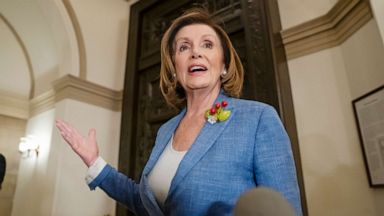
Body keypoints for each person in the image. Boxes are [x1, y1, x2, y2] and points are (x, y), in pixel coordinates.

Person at [56, 8, 302, 216]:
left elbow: (283, 208)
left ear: (224, 65)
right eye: (184, 47)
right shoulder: (166, 131)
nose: (196, 52)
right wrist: (94, 163)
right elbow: (146, 202)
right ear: (175, 68)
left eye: (207, 44)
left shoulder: (258, 118)